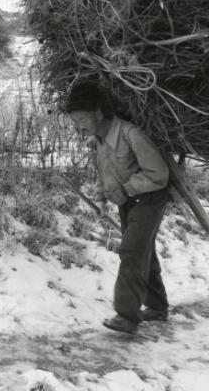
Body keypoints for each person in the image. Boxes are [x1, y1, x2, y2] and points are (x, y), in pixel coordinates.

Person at [62, 80, 172, 334]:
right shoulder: (99, 141)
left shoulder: (131, 134)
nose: (79, 126)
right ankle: (156, 307)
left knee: (132, 251)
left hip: (150, 198)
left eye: (82, 119)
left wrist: (125, 190)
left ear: (98, 113)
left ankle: (126, 315)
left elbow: (158, 173)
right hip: (126, 202)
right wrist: (101, 198)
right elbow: (104, 173)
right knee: (144, 251)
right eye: (75, 121)